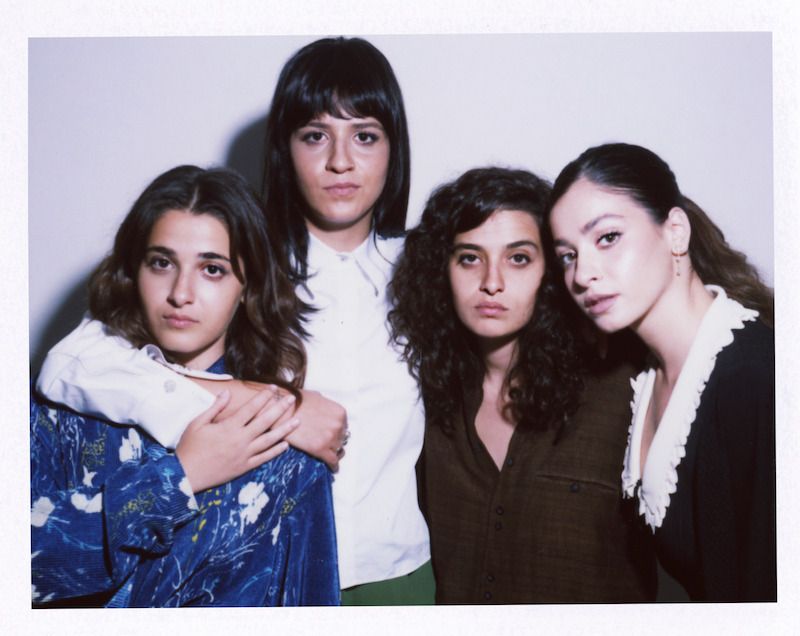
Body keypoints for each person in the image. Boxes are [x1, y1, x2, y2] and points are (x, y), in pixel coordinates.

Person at [36, 37, 432, 605]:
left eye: (365, 136)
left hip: (396, 576)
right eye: (315, 135)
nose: (340, 161)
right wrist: (271, 407)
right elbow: (71, 365)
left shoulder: (426, 267)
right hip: (256, 571)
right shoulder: (236, 258)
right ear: (284, 148)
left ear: (394, 149)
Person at [31, 165, 339, 607]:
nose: (180, 293)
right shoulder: (59, 408)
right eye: (161, 263)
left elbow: (309, 601)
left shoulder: (288, 441)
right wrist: (178, 480)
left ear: (246, 286)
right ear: (133, 271)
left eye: (212, 269)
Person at [388, 167, 656, 603]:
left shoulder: (623, 387)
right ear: (442, 272)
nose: (491, 282)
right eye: (470, 258)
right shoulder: (426, 399)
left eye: (518, 258)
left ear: (551, 271)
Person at [547, 142, 776, 602]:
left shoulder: (754, 379)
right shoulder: (647, 378)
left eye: (607, 237)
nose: (582, 274)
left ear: (675, 232)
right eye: (568, 255)